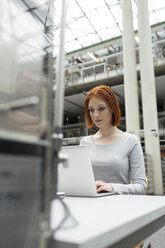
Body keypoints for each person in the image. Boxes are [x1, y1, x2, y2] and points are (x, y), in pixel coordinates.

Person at [80, 85, 146, 195]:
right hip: (91, 206)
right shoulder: (85, 143)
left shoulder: (131, 141)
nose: (96, 115)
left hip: (119, 206)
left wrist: (112, 187)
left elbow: (141, 187)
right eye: (91, 110)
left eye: (101, 108)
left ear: (112, 108)